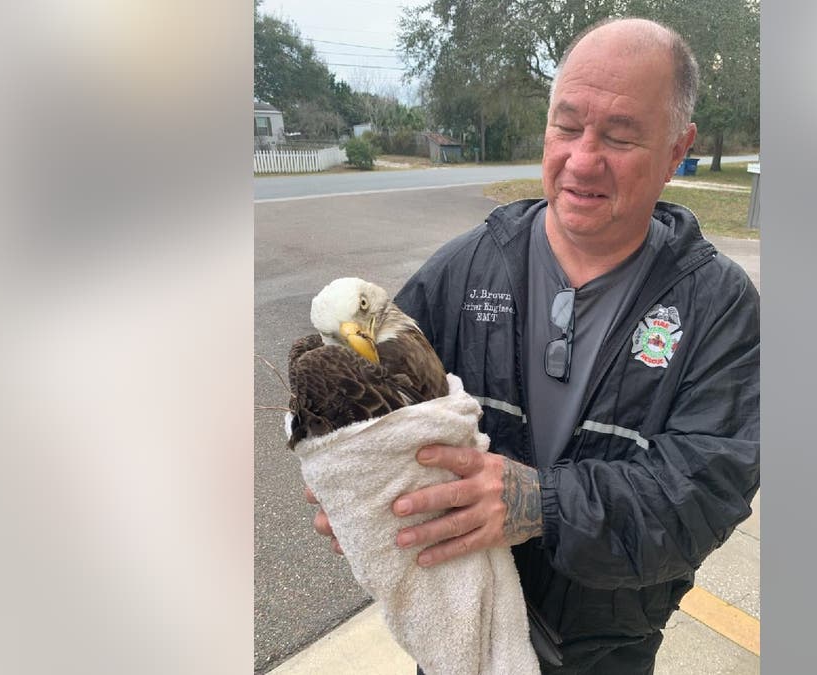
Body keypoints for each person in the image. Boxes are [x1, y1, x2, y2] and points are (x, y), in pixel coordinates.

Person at [307, 16, 759, 674]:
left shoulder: (718, 308)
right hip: (460, 632)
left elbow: (701, 496)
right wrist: (353, 488)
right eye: (567, 125)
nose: (582, 159)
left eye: (621, 135)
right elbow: (375, 405)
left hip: (607, 649)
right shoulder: (466, 268)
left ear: (675, 150)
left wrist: (536, 502)